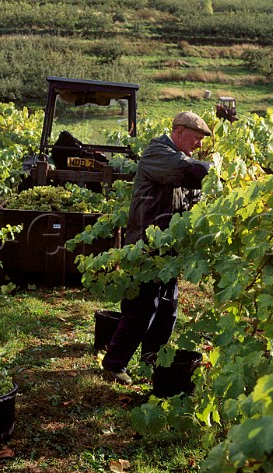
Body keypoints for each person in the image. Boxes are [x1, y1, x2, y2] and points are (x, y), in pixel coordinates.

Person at [102, 111, 212, 385]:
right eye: (196, 138)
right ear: (179, 131)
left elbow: (192, 195)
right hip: (146, 247)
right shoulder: (158, 153)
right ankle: (114, 364)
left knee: (167, 309)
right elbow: (187, 171)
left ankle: (149, 362)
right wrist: (215, 169)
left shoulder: (181, 157)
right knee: (142, 308)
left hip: (168, 250)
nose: (198, 145)